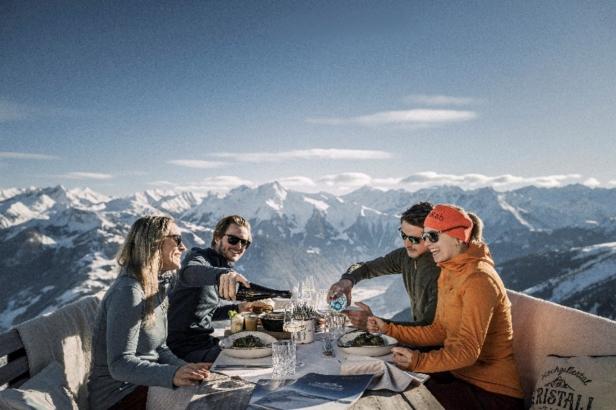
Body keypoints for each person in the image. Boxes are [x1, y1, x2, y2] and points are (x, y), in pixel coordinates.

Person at [367, 204, 525, 409]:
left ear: (459, 237)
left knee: (395, 400)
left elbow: (468, 351)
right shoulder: (449, 270)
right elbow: (439, 330)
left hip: (493, 393)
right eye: (424, 236)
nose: (427, 243)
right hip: (458, 377)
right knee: (382, 380)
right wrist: (387, 329)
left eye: (433, 237)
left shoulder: (478, 279)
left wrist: (418, 361)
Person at [88, 216, 210, 410]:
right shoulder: (129, 291)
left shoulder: (157, 286)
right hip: (119, 397)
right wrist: (171, 375)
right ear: (154, 243)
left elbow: (159, 349)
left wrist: (185, 368)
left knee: (217, 392)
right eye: (177, 239)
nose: (183, 247)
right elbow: (120, 364)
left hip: (146, 385)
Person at [167, 215, 268, 363]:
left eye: (245, 243)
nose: (239, 247)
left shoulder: (220, 265)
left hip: (204, 343)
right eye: (233, 239)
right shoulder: (198, 257)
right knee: (258, 358)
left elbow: (206, 314)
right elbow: (188, 272)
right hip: (183, 350)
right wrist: (222, 275)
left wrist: (240, 308)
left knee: (260, 347)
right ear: (217, 238)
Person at [327, 202, 440, 329]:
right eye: (403, 235)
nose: (407, 244)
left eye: (414, 239)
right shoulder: (405, 257)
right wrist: (346, 281)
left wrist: (373, 324)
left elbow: (430, 330)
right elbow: (366, 268)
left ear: (432, 237)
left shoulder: (440, 273)